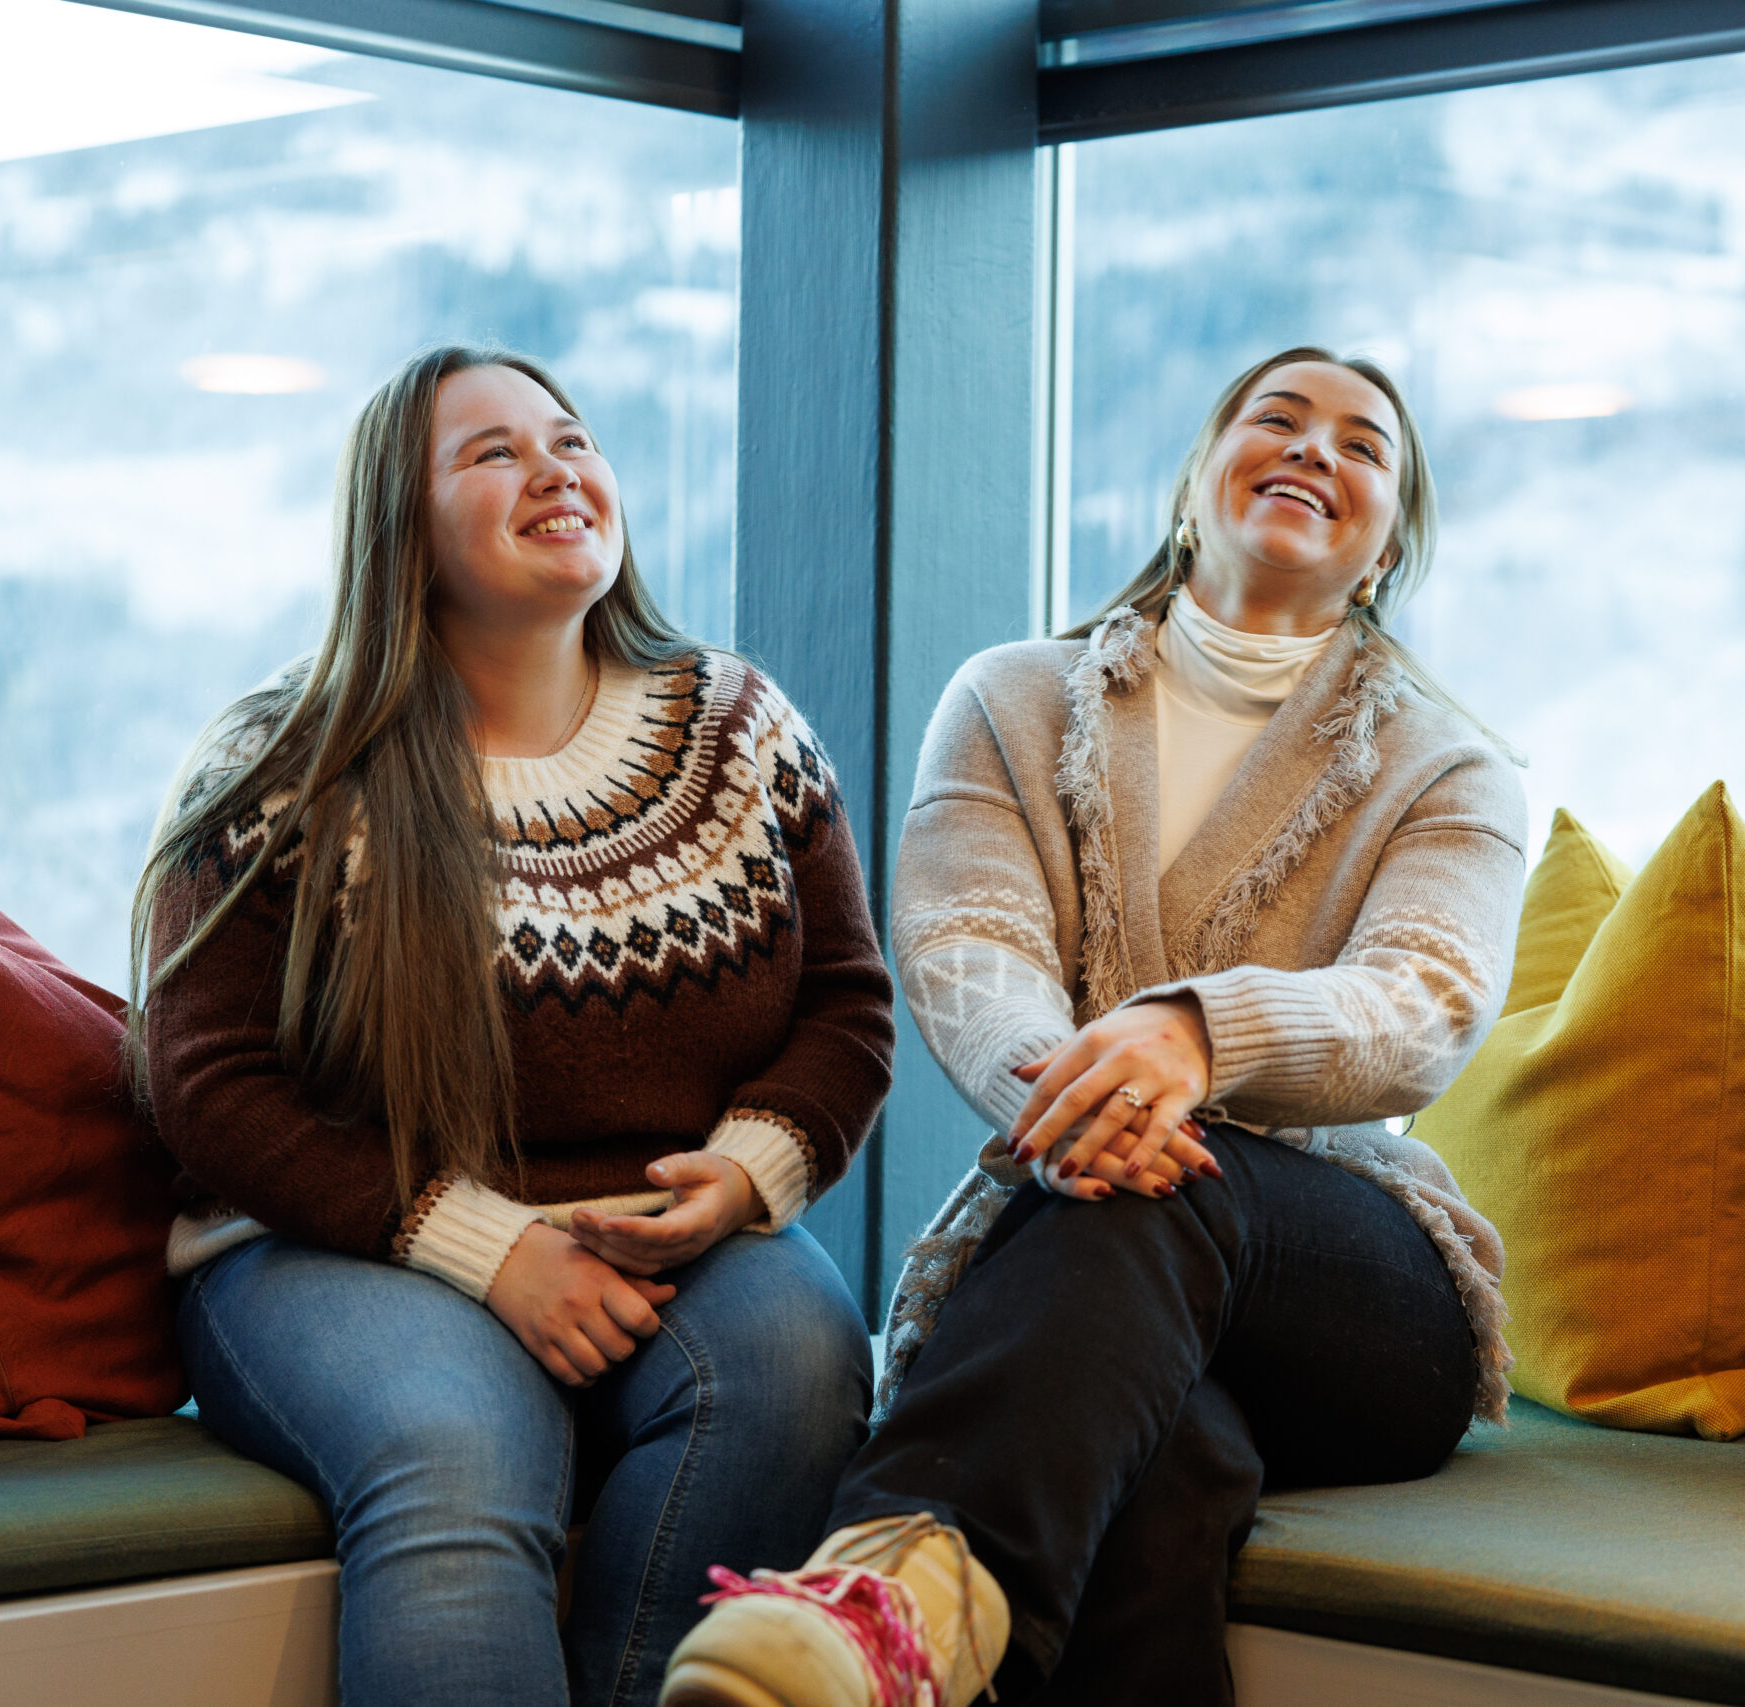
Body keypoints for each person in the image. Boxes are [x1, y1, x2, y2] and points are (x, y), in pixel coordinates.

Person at [661, 347, 1527, 1707]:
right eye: (1278, 418)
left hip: (1358, 1304)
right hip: (1091, 1228)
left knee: (1176, 1189)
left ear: (1385, 550)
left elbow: (1423, 1001)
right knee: (1162, 1462)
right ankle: (914, 1628)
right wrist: (1078, 1100)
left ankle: (878, 1590)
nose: (1316, 450)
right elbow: (967, 955)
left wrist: (1194, 1038)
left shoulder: (1451, 766)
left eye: (1364, 447)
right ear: (1198, 478)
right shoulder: (1012, 700)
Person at [132, 345, 892, 1707]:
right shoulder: (284, 760)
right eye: (491, 453)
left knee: (802, 1358)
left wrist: (747, 1174)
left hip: (671, 1240)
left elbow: (848, 1005)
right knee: (458, 1441)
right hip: (339, 1243)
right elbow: (205, 1087)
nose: (554, 468)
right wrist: (489, 1251)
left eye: (572, 439)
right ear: (399, 530)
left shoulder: (742, 728)